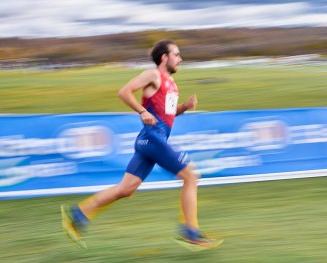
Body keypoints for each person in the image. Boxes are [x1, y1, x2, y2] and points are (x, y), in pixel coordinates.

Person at [61, 39, 222, 250]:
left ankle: (77, 215)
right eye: (177, 55)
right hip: (152, 138)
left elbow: (170, 113)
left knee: (126, 189)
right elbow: (124, 92)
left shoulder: (172, 85)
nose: (180, 59)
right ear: (164, 57)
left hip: (152, 141)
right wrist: (142, 111)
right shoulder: (152, 75)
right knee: (191, 176)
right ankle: (190, 232)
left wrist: (186, 106)